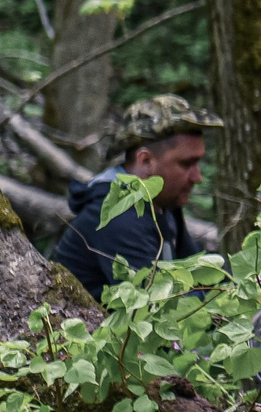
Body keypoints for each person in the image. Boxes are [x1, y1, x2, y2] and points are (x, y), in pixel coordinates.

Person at [52, 95, 221, 300]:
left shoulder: (162, 203)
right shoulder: (119, 217)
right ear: (146, 161)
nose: (198, 177)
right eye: (187, 164)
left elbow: (201, 274)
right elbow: (161, 309)